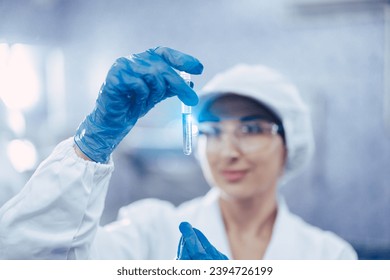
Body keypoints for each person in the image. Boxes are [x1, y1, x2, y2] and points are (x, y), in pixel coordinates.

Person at [0, 47, 357, 260]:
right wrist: (91, 144)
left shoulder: (329, 256)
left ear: (289, 142)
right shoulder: (151, 230)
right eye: (212, 131)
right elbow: (28, 262)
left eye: (250, 129)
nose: (228, 151)